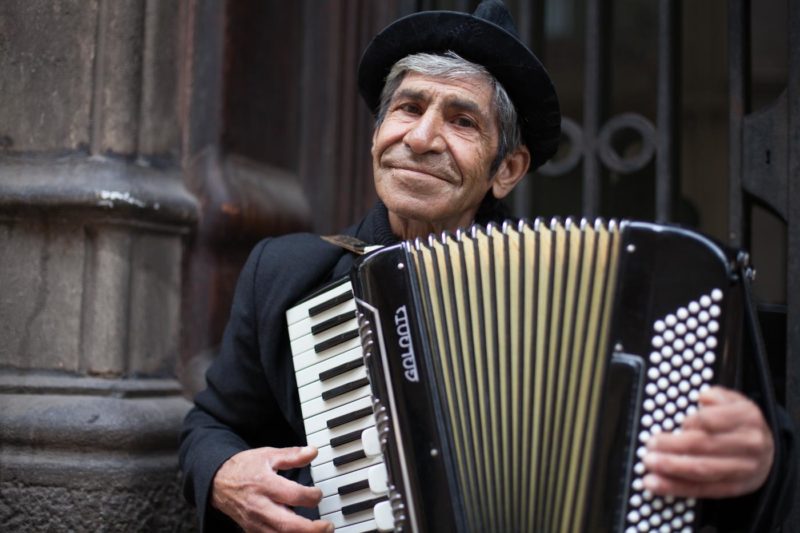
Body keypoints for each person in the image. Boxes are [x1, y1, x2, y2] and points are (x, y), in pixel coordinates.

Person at [179, 1, 794, 531]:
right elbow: (211, 425)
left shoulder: (584, 290)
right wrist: (224, 475)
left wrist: (760, 461)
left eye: (462, 120)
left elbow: (738, 470)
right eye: (407, 108)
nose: (420, 138)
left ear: (507, 170)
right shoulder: (288, 273)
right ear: (376, 135)